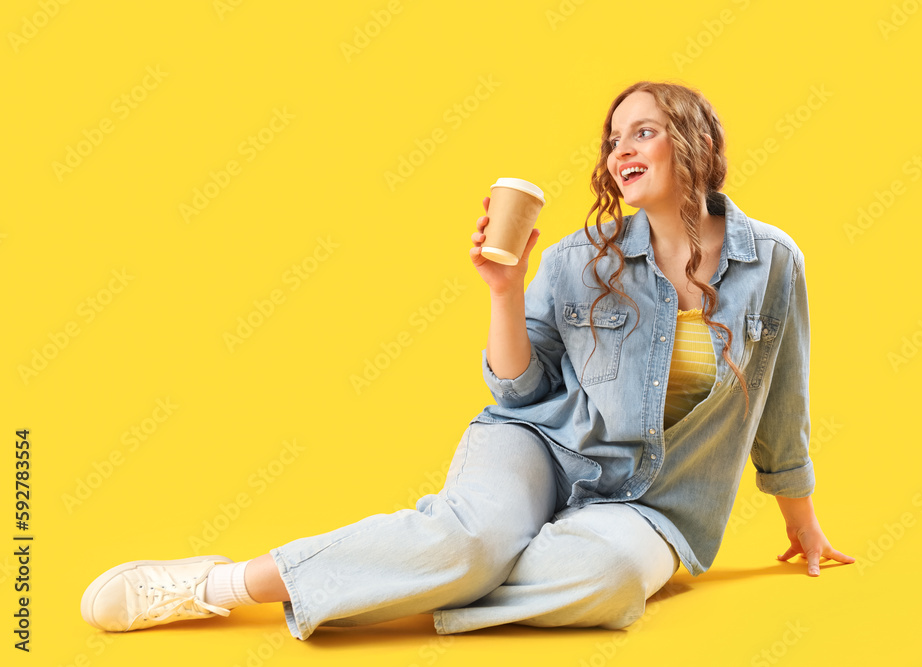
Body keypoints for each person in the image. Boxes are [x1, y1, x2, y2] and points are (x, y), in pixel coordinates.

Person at [80, 80, 854, 640]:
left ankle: (445, 561)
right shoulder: (582, 257)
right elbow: (518, 387)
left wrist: (804, 521)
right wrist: (505, 289)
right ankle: (217, 582)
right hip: (537, 445)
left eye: (643, 131)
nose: (621, 149)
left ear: (700, 143)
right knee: (473, 536)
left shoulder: (773, 262)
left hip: (653, 504)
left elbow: (784, 395)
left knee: (609, 580)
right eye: (614, 138)